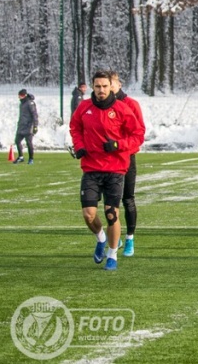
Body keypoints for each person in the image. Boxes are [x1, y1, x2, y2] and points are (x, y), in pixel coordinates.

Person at [69, 70, 145, 271]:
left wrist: (118, 145)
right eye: (97, 86)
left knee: (111, 214)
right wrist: (79, 146)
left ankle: (112, 255)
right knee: (88, 214)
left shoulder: (122, 109)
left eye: (104, 86)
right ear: (92, 87)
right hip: (91, 168)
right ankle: (100, 238)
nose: (101, 90)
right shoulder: (84, 108)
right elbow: (75, 127)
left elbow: (138, 135)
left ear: (111, 86)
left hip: (115, 169)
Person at [110, 72, 145, 256]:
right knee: (110, 201)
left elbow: (139, 133)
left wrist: (121, 146)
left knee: (127, 198)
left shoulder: (131, 104)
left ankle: (130, 238)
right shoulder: (100, 106)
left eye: (112, 83)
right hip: (108, 160)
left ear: (118, 83)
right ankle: (115, 235)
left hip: (127, 157)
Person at [14, 89, 38, 164]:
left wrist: (35, 126)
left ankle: (31, 159)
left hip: (28, 126)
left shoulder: (30, 103)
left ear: (24, 95)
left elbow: (34, 115)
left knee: (29, 143)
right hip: (21, 126)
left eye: (20, 95)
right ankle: (21, 157)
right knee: (17, 141)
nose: (19, 97)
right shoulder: (22, 103)